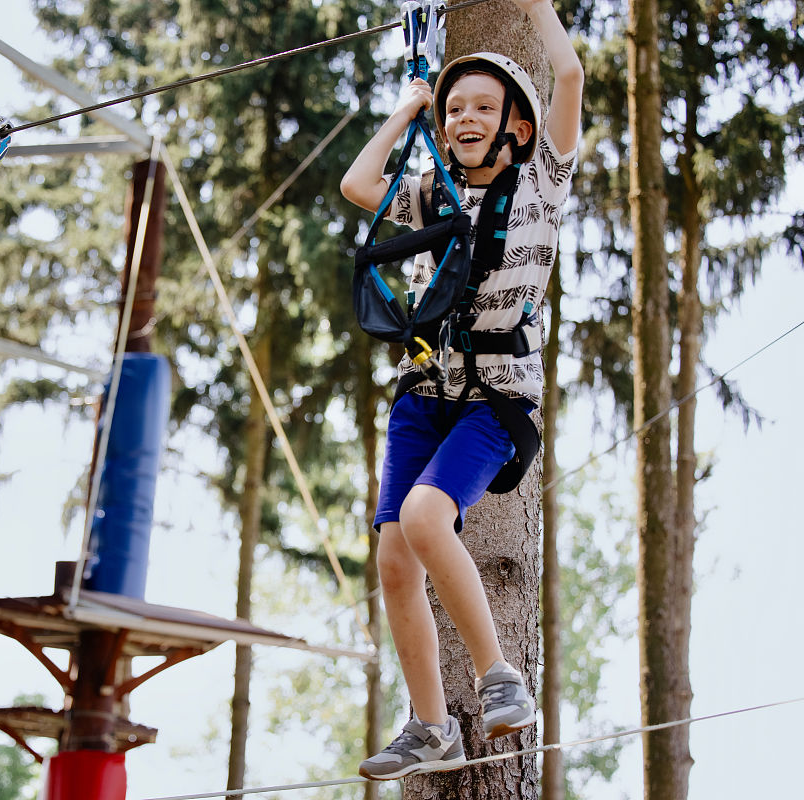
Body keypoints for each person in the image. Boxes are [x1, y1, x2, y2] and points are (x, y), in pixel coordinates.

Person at [339, 0, 583, 781]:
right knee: (393, 559)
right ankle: (431, 725)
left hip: (495, 398)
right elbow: (357, 184)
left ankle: (498, 674)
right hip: (423, 390)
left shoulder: (542, 178)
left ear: (517, 124)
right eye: (455, 108)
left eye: (484, 106)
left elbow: (570, 73)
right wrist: (408, 108)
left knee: (422, 517)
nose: (466, 116)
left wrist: (536, 7)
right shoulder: (432, 191)